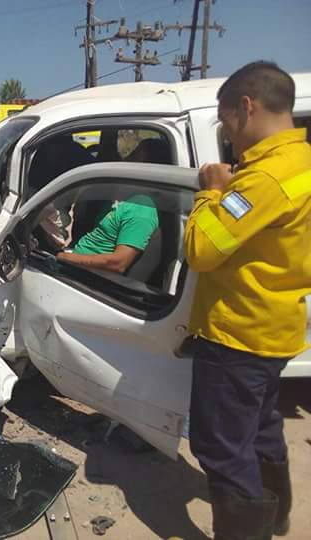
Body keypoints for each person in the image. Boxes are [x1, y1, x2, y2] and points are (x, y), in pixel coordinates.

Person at [184, 61, 310, 539]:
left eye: (226, 122)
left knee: (222, 450)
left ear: (246, 107)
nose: (228, 135)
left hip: (237, 335)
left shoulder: (263, 181)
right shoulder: (302, 165)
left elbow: (201, 248)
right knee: (262, 432)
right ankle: (275, 518)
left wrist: (210, 192)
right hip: (275, 330)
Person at [53, 137, 170, 273]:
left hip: (84, 276)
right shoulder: (125, 197)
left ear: (148, 168)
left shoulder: (142, 208)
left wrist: (66, 257)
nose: (127, 161)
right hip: (75, 264)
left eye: (135, 157)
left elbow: (118, 263)